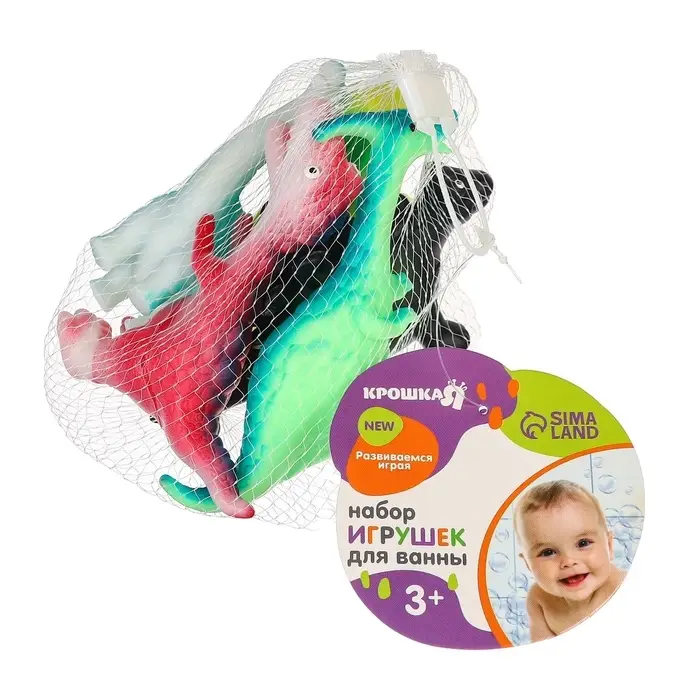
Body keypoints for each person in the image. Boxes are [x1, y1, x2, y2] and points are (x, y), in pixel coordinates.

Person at [514, 480, 625, 641]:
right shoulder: (539, 601)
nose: (568, 561)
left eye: (583, 543)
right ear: (527, 564)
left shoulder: (622, 587)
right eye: (548, 552)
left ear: (609, 546)